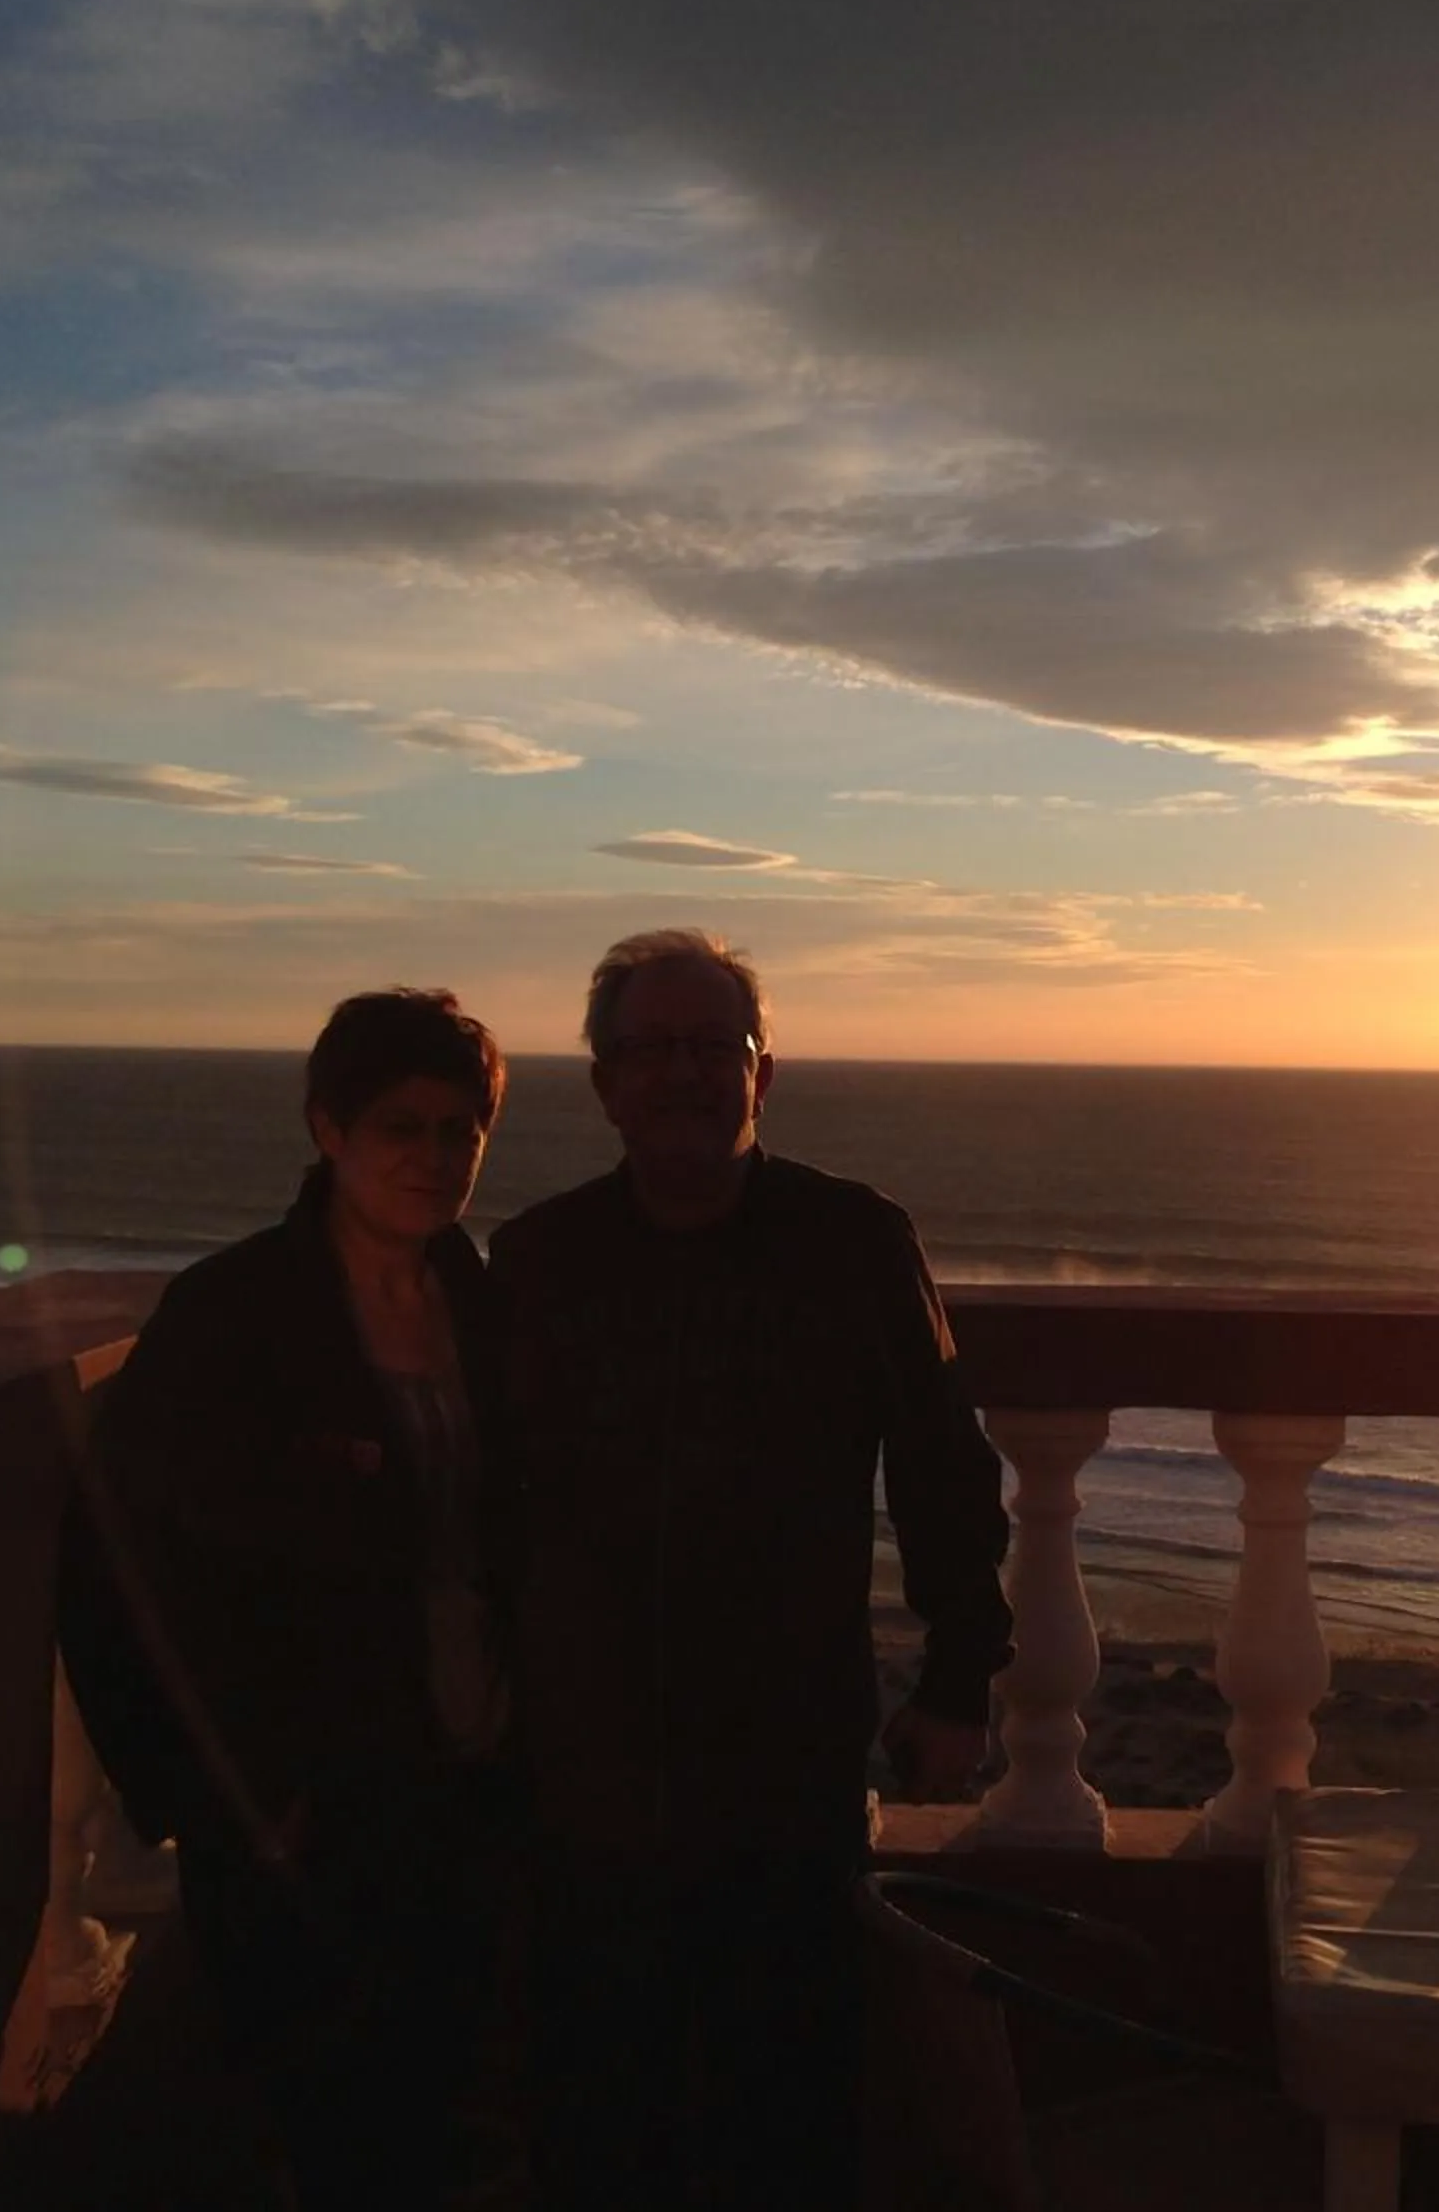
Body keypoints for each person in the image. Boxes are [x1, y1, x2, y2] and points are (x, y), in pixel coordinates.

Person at [491, 927, 1014, 2212]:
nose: (682, 1073)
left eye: (711, 1046)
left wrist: (959, 1676)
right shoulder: (538, 1262)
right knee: (595, 2115)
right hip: (578, 1775)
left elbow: (944, 1466)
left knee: (785, 2108)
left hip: (785, 1768)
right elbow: (481, 1503)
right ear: (605, 1082)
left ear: (761, 1075)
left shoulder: (854, 1242)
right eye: (650, 1049)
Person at [55, 988, 518, 2212]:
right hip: (306, 1811)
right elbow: (112, 1569)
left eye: (461, 1130)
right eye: (401, 1127)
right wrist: (213, 1796)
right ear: (329, 1130)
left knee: (449, 2123)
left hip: (472, 1786)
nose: (435, 1157)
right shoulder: (234, 1316)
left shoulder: (490, 1308)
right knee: (321, 2131)